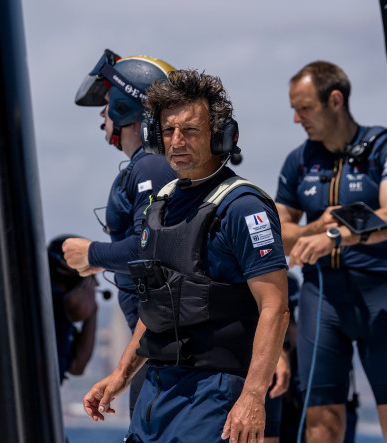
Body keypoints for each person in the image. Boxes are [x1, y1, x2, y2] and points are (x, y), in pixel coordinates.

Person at [82, 69, 290, 443]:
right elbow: (158, 305)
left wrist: (252, 397)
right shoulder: (158, 209)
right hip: (156, 395)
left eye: (190, 130)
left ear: (221, 135)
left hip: (215, 397)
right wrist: (121, 375)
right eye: (167, 131)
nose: (177, 141)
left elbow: (275, 307)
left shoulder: (243, 207)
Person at [275, 60, 387, 442]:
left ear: (335, 100)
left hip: (380, 294)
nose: (295, 118)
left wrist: (336, 236)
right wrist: (316, 227)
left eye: (304, 108)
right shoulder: (300, 160)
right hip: (322, 300)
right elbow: (276, 232)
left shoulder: (385, 147)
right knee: (322, 424)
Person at [64, 50, 177, 415]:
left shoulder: (152, 166)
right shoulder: (148, 166)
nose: (103, 114)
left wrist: (91, 255)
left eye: (109, 104)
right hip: (154, 351)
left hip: (169, 355)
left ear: (127, 111)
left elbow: (153, 249)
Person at [48, 235, 98, 384]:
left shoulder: (65, 313)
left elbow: (78, 366)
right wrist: (83, 279)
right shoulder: (49, 296)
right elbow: (80, 308)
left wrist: (94, 310)